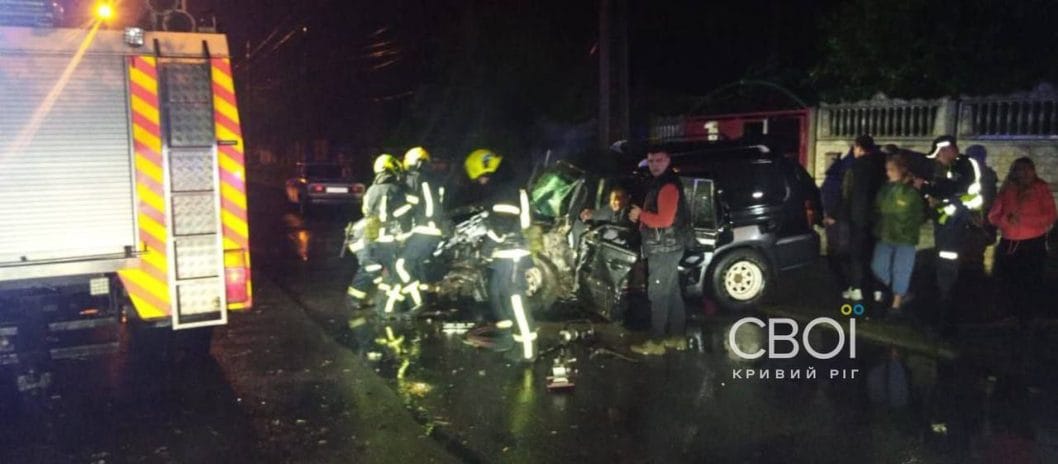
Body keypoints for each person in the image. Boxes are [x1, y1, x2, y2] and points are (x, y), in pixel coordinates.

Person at [464, 148, 539, 361]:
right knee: (496, 292)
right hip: (505, 254)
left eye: (480, 178)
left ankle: (527, 349)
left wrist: (486, 249)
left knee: (515, 298)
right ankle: (508, 336)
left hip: (514, 252)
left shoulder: (505, 189)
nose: (480, 182)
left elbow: (502, 224)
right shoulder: (506, 185)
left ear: (486, 172)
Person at [628, 149, 693, 356]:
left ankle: (656, 342)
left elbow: (664, 221)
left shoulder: (667, 186)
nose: (654, 164)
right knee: (672, 293)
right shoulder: (662, 182)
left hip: (664, 248)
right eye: (650, 161)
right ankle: (677, 337)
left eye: (659, 160)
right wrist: (641, 216)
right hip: (669, 246)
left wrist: (641, 215)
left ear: (668, 160)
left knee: (658, 294)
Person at [917, 135, 983, 332]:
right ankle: (943, 311)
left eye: (938, 154)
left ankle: (945, 319)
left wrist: (927, 188)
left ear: (947, 149)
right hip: (947, 224)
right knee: (945, 265)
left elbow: (952, 189)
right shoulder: (948, 169)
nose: (937, 159)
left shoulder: (964, 165)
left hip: (955, 224)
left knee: (948, 265)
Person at [987, 157, 1056, 327]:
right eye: (1020, 169)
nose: (1024, 173)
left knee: (1031, 281)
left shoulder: (1040, 188)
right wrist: (1006, 220)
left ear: (1033, 171)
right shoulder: (1007, 190)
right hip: (1009, 243)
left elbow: (1050, 215)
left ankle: (1027, 316)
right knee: (1008, 281)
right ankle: (1008, 314)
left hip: (1032, 243)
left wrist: (1025, 220)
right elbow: (993, 216)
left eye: (1028, 169)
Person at [395, 146, 448, 313]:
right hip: (436, 231)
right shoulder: (435, 180)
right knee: (417, 265)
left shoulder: (415, 177)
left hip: (423, 228)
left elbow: (408, 206)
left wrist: (402, 230)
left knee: (401, 265)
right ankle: (425, 298)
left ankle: (417, 304)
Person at [871, 154, 926, 315]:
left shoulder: (911, 192)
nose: (888, 173)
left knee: (901, 270)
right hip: (885, 234)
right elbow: (879, 207)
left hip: (905, 237)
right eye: (887, 169)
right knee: (878, 267)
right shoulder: (885, 188)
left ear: (901, 170)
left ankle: (896, 304)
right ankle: (901, 291)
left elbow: (918, 214)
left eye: (891, 170)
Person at [360, 153, 413, 317]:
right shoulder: (394, 190)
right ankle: (387, 311)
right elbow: (402, 213)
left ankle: (382, 306)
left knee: (383, 276)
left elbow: (366, 212)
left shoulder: (370, 190)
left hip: (371, 240)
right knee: (393, 275)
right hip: (388, 241)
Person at [840, 135, 887, 303]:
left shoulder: (855, 166)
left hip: (859, 217)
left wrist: (842, 215)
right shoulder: (884, 164)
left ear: (858, 147)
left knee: (858, 255)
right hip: (880, 217)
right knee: (877, 254)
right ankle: (878, 290)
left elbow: (847, 193)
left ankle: (857, 289)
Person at [822, 148, 854, 294]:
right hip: (841, 218)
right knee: (844, 253)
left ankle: (845, 286)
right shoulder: (851, 168)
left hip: (835, 216)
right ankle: (850, 286)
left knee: (836, 253)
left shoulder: (839, 167)